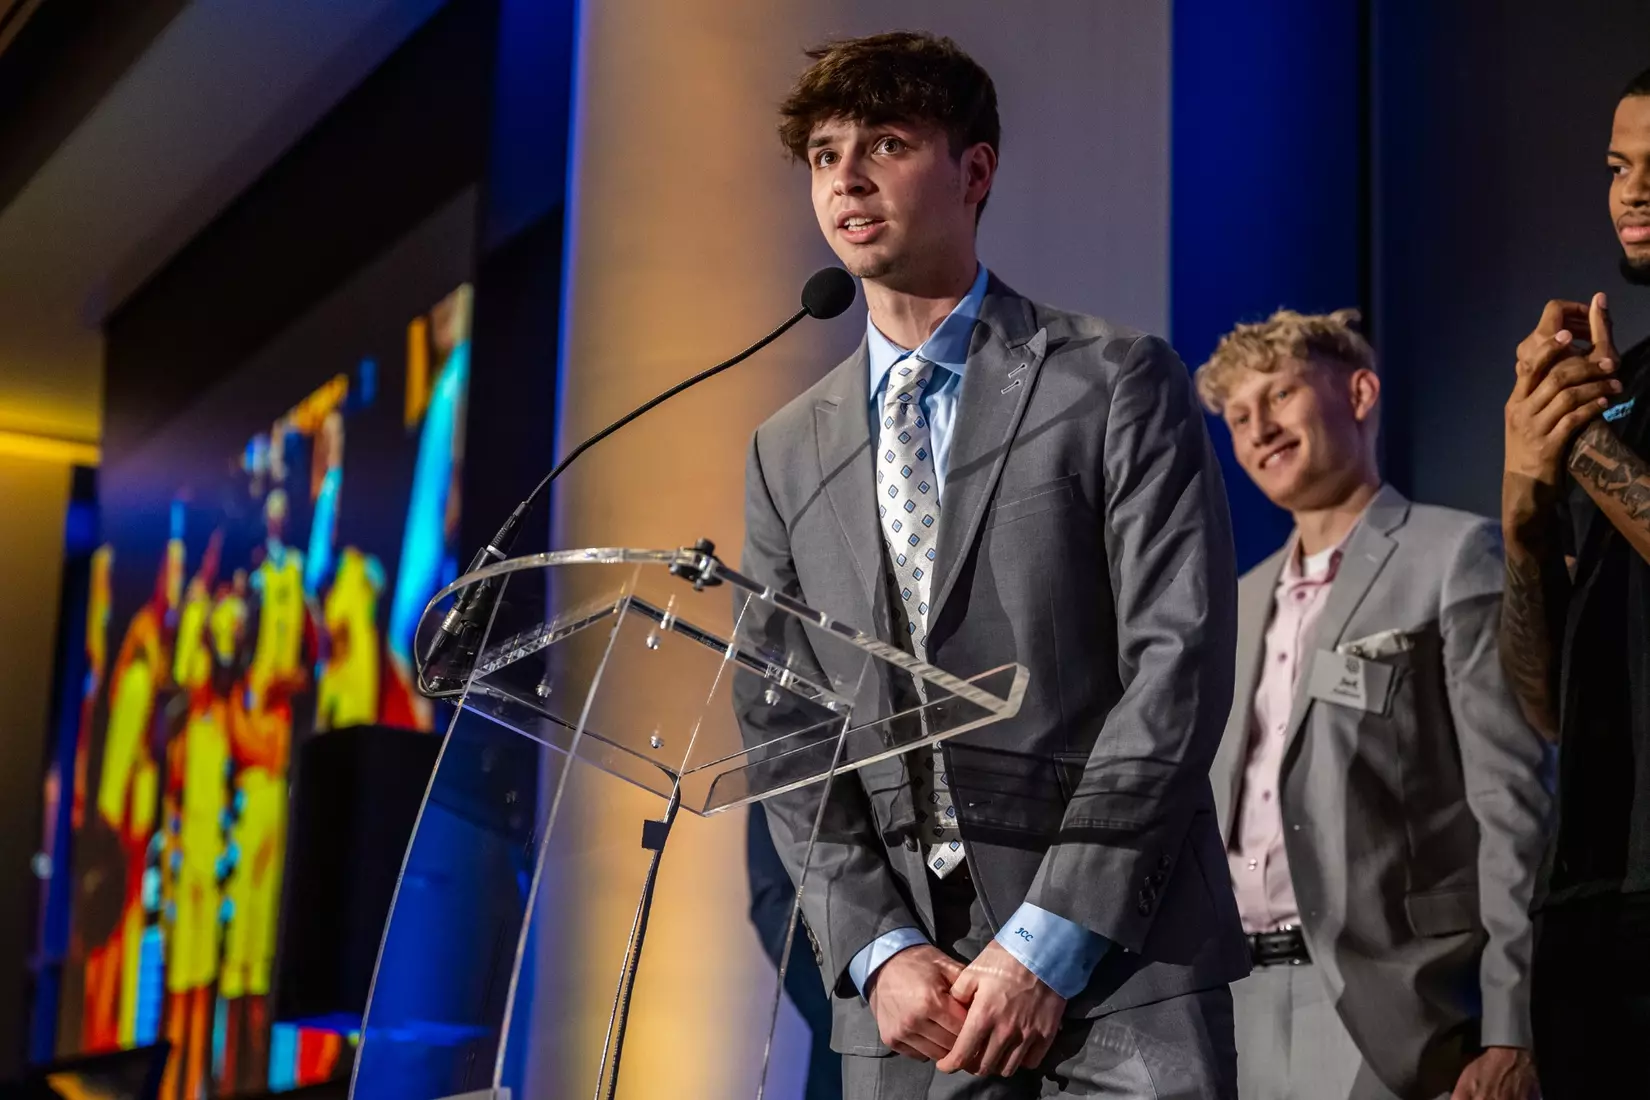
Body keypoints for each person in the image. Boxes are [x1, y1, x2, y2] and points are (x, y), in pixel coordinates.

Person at [741, 31, 1248, 1098]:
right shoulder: (786, 446)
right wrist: (876, 951)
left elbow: (1177, 664)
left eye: (885, 141)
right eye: (826, 153)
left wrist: (1045, 942)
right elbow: (783, 725)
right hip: (909, 1013)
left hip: (1118, 973)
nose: (847, 177)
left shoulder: (1112, 380)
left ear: (975, 171)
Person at [1196, 310, 1549, 1100]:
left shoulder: (1455, 556)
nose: (1258, 429)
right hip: (1236, 1000)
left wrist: (1510, 1023)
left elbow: (1513, 806)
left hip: (1398, 1003)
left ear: (1358, 393)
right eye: (1238, 418)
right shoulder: (1240, 601)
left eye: (1280, 396)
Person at [1499, 66, 1650, 1097]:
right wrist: (1522, 502)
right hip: (1595, 904)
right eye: (1617, 166)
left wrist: (1586, 444)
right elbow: (1545, 705)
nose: (1634, 191)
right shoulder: (1624, 380)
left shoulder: (1608, 413)